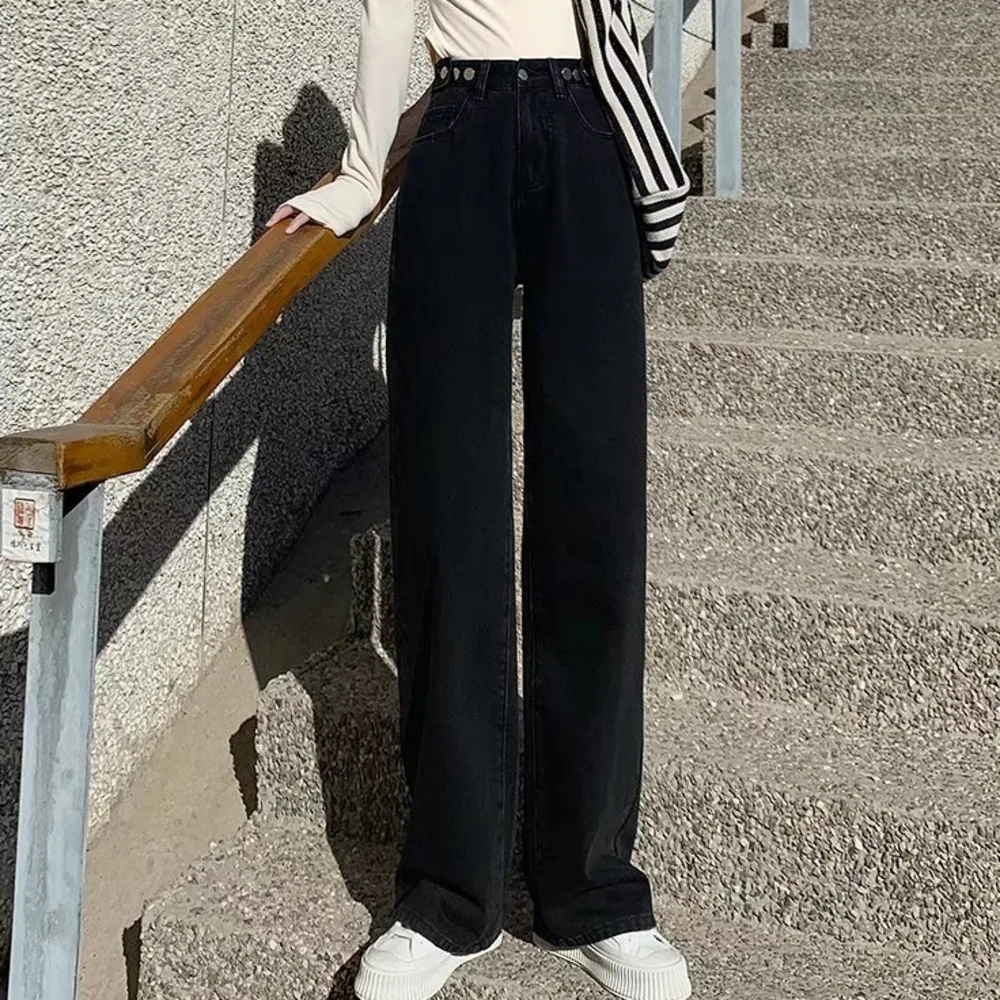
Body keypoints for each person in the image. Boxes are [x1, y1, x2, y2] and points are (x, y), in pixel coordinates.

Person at [267, 0, 692, 998]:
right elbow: (388, 11)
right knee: (447, 518)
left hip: (589, 129)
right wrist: (362, 175)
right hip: (459, 125)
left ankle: (594, 889)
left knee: (595, 508)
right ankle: (448, 896)